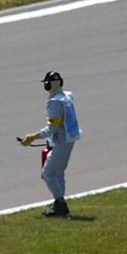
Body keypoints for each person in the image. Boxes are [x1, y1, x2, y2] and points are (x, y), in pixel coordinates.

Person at [19, 71, 81, 217]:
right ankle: (59, 202)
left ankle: (60, 204)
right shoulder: (67, 96)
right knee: (58, 172)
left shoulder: (54, 102)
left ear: (48, 84)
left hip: (62, 140)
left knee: (48, 173)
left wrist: (32, 137)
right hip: (70, 137)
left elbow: (52, 127)